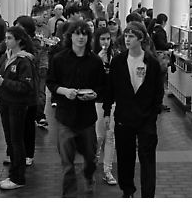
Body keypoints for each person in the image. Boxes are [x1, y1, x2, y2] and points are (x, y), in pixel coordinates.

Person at [103, 21, 164, 198]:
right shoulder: (118, 62)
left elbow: (158, 92)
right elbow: (110, 89)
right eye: (126, 36)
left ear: (141, 39)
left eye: (132, 36)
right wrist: (107, 112)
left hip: (146, 119)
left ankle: (147, 195)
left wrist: (153, 113)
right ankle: (128, 190)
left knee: (147, 159)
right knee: (125, 158)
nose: (127, 39)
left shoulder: (151, 63)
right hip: (124, 117)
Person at [47, 20, 106, 197]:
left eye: (84, 34)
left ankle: (88, 177)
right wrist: (65, 91)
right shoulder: (59, 59)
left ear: (89, 37)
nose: (81, 37)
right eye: (77, 33)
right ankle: (69, 196)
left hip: (87, 118)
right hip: (65, 117)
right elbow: (51, 82)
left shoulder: (95, 61)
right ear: (70, 36)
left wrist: (94, 94)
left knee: (90, 158)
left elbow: (102, 85)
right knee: (67, 163)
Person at [0, 26, 37, 190]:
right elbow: (5, 77)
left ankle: (18, 177)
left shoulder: (24, 60)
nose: (6, 41)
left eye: (10, 38)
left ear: (19, 40)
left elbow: (26, 86)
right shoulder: (6, 56)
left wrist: (3, 82)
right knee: (10, 140)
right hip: (5, 101)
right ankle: (14, 173)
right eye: (6, 38)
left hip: (17, 104)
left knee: (17, 140)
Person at [13, 15, 49, 164]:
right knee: (14, 125)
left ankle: (28, 153)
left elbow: (39, 61)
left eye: (19, 28)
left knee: (27, 123)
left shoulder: (35, 44)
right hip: (14, 90)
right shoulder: (10, 43)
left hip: (30, 89)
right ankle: (13, 153)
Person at [92, 27, 117, 186]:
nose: (105, 42)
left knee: (110, 135)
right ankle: (93, 159)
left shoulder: (115, 56)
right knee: (99, 135)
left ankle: (107, 170)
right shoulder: (92, 57)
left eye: (108, 39)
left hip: (113, 99)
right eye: (102, 39)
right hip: (98, 100)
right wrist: (97, 62)